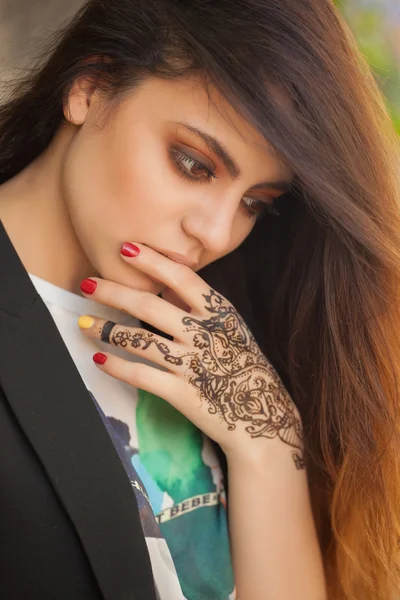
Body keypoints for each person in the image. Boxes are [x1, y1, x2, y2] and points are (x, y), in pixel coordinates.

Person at [0, 0, 399, 598]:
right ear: (90, 86)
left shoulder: (228, 336)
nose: (217, 234)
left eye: (255, 204)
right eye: (193, 164)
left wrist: (268, 444)